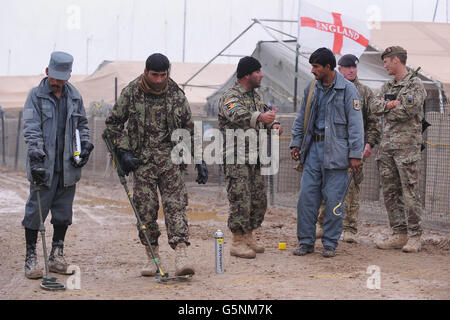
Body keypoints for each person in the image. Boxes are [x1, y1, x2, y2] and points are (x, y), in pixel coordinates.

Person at [105, 53, 207, 276]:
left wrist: (199, 158)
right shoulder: (131, 93)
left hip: (171, 161)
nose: (160, 79)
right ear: (146, 72)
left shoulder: (175, 94)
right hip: (141, 163)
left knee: (176, 207)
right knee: (146, 210)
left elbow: (188, 127)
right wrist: (123, 150)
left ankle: (181, 255)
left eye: (163, 75)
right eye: (155, 75)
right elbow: (112, 124)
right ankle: (152, 257)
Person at [22, 51, 94, 279]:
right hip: (44, 165)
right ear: (47, 72)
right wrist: (35, 155)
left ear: (68, 76)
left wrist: (84, 146)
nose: (57, 82)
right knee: (36, 212)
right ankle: (31, 257)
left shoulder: (75, 97)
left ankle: (56, 254)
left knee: (63, 213)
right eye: (54, 77)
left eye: (61, 78)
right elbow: (32, 127)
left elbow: (82, 124)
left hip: (68, 167)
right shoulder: (35, 95)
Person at [290, 48, 364, 258]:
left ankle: (330, 243)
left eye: (316, 66)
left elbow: (356, 126)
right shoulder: (311, 88)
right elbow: (301, 117)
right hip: (313, 150)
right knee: (306, 198)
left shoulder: (348, 90)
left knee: (334, 201)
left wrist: (355, 154)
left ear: (328, 67)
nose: (312, 70)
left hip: (338, 154)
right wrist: (296, 143)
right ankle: (305, 242)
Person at [218, 56, 283, 259]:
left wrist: (274, 124)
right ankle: (237, 241)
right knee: (240, 200)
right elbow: (238, 115)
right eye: (258, 72)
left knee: (258, 200)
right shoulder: (230, 96)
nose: (261, 75)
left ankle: (248, 236)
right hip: (236, 158)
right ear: (247, 74)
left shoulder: (256, 96)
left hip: (255, 157)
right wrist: (261, 118)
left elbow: (264, 115)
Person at [315, 54, 381, 243]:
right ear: (339, 69)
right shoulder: (330, 87)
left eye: (354, 67)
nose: (352, 70)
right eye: (348, 67)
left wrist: (369, 144)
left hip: (355, 149)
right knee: (326, 186)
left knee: (351, 188)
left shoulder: (365, 92)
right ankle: (322, 224)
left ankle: (349, 228)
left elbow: (374, 123)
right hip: (332, 148)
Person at [371, 46, 427, 253]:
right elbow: (374, 106)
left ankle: (414, 235)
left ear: (396, 60)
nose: (384, 65)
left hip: (406, 148)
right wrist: (390, 105)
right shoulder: (387, 85)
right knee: (390, 191)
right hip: (387, 148)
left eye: (386, 61)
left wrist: (389, 108)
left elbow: (408, 111)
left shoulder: (414, 85)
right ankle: (399, 233)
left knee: (410, 191)